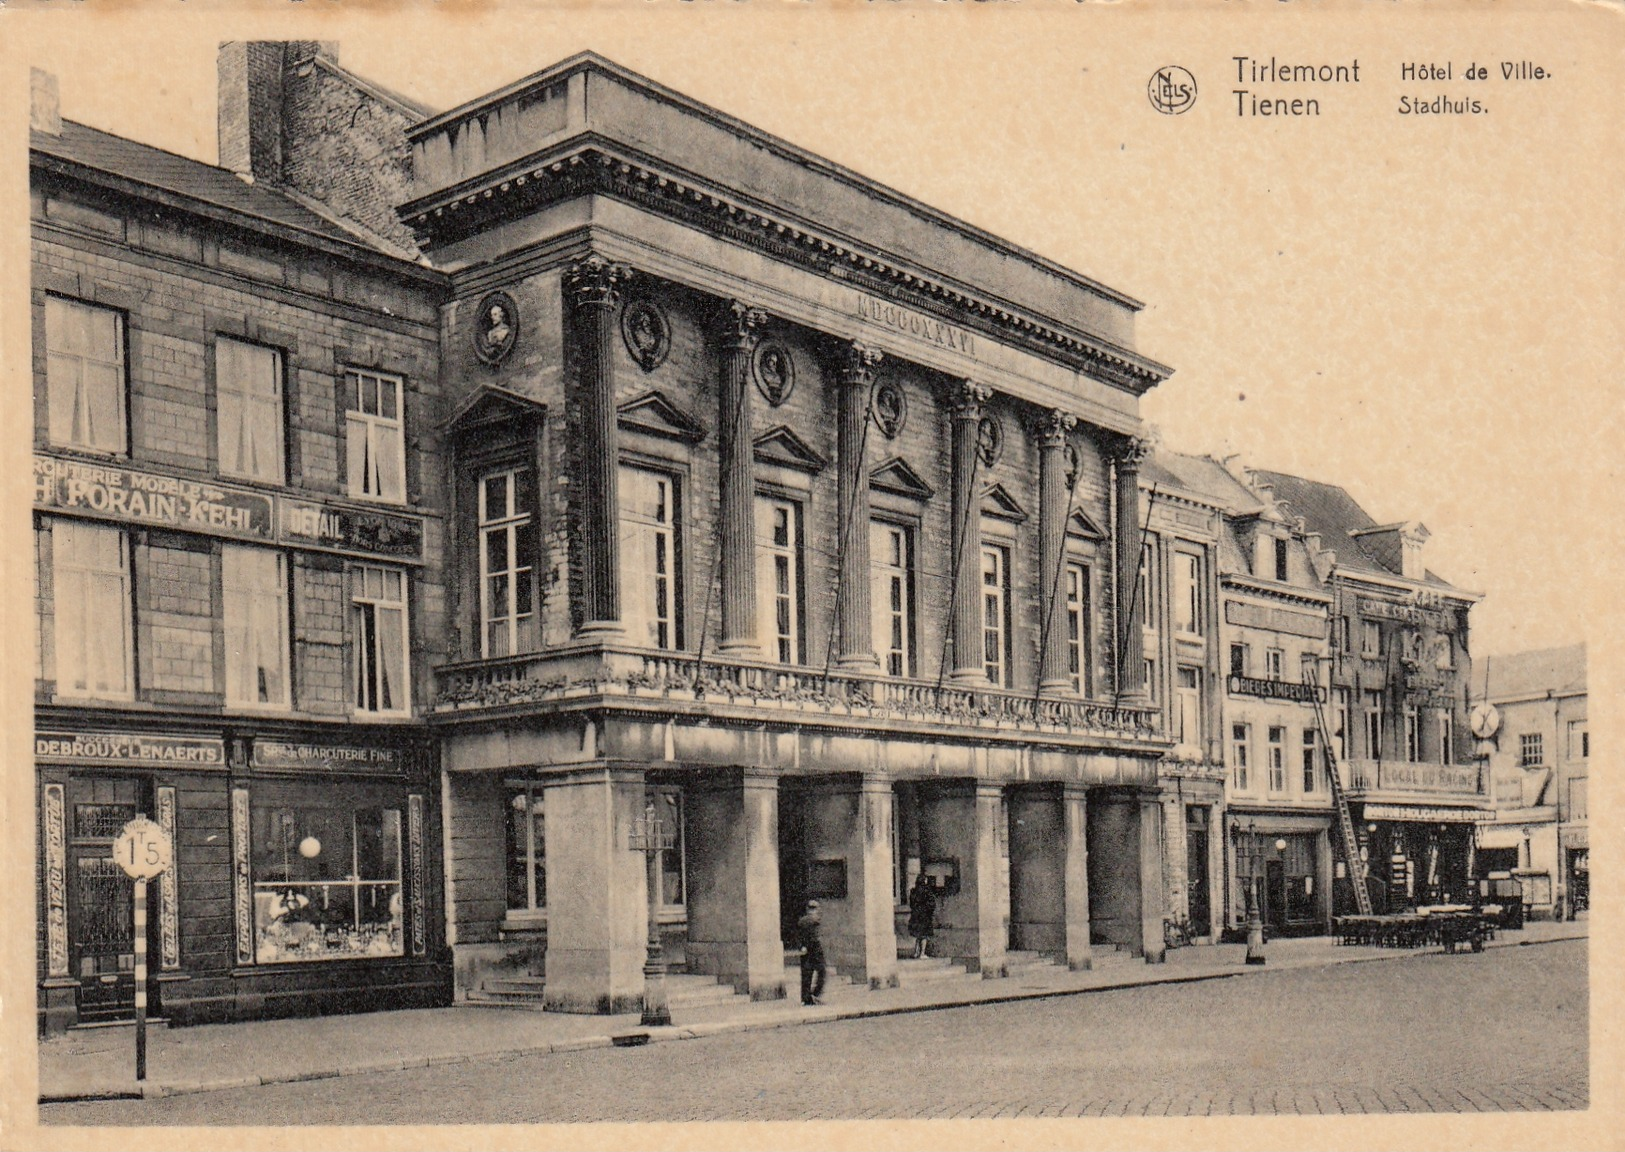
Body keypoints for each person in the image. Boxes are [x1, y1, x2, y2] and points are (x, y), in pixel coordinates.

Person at [797, 900, 826, 1005]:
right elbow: (799, 937)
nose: (813, 911)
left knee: (821, 971)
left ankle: (812, 995)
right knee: (807, 975)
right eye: (811, 909)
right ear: (808, 909)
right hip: (808, 951)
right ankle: (807, 998)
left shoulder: (815, 921)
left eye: (815, 909)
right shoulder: (804, 921)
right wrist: (802, 947)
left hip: (815, 951)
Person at [908, 873, 938, 959]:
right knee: (924, 935)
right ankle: (922, 953)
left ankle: (916, 952)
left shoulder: (913, 891)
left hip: (916, 915)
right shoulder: (927, 891)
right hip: (925, 915)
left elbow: (911, 904)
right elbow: (931, 904)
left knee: (918, 936)